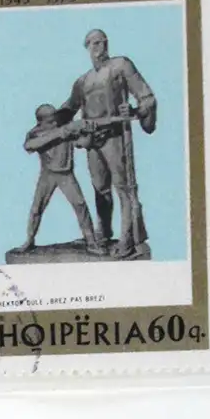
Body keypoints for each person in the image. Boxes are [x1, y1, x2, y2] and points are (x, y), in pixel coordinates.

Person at [58, 27, 158, 258]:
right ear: (87, 48)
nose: (100, 47)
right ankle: (103, 232)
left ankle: (128, 238)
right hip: (92, 139)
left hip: (115, 134)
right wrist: (51, 120)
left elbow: (147, 97)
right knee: (100, 187)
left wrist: (134, 110)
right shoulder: (83, 81)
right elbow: (69, 107)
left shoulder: (121, 65)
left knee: (124, 187)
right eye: (95, 43)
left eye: (103, 42)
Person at [12, 103, 104, 258]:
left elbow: (83, 143)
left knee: (80, 205)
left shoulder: (66, 127)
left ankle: (91, 242)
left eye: (55, 119)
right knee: (37, 208)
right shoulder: (35, 133)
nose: (55, 123)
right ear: (40, 122)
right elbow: (29, 146)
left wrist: (89, 133)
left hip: (66, 175)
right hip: (47, 175)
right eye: (50, 121)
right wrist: (60, 133)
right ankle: (29, 240)